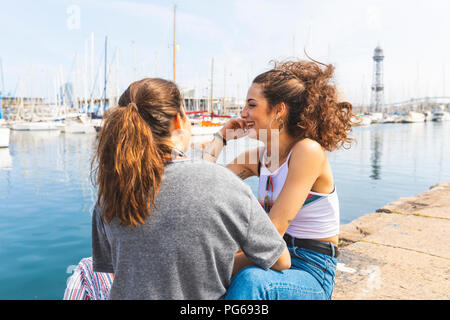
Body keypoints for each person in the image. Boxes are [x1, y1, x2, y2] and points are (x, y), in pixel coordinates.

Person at [64, 78, 291, 300]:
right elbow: (280, 260)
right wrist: (224, 261)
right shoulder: (224, 183)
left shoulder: (111, 194)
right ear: (178, 121)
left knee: (85, 268)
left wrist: (220, 138)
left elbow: (117, 268)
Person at [202, 59, 353, 300]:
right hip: (271, 259)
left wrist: (213, 269)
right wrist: (221, 137)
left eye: (252, 105)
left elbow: (274, 231)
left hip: (310, 270)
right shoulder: (258, 158)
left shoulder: (307, 152)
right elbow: (202, 186)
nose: (243, 113)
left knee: (249, 281)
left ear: (279, 110)